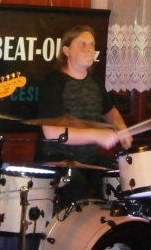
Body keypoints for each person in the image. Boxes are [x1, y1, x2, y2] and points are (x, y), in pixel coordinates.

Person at [35, 25, 132, 206]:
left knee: (124, 174)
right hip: (58, 160)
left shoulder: (95, 82)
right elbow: (52, 132)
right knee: (76, 187)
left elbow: (110, 112)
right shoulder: (53, 83)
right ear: (67, 51)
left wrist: (122, 128)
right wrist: (97, 135)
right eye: (82, 44)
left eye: (92, 44)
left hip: (89, 160)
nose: (89, 49)